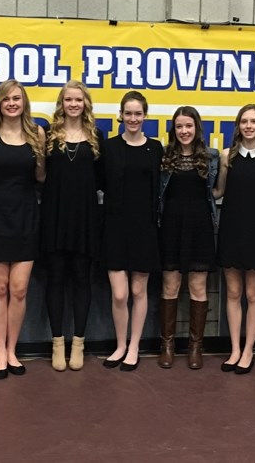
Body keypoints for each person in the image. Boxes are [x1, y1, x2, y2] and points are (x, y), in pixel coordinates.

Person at [0, 79, 46, 379]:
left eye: (17, 98)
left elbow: (41, 176)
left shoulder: (37, 133)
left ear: (24, 102)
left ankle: (13, 350)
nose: (12, 103)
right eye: (6, 99)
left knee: (19, 289)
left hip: (26, 214)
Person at [40, 80, 102, 372]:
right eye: (68, 99)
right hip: (54, 216)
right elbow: (40, 175)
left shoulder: (96, 136)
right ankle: (57, 342)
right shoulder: (49, 136)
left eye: (79, 99)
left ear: (85, 103)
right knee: (55, 279)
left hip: (85, 218)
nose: (73, 104)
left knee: (81, 278)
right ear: (61, 103)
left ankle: (79, 341)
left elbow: (101, 179)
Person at [100, 91, 163, 371]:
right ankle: (120, 345)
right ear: (121, 116)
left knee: (139, 290)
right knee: (119, 294)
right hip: (114, 225)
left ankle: (134, 346)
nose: (133, 118)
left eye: (138, 114)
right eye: (128, 113)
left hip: (145, 227)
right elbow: (100, 184)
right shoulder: (110, 147)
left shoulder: (156, 148)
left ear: (145, 116)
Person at [213, 104, 255, 375]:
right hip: (231, 230)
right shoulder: (227, 156)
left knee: (253, 294)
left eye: (254, 121)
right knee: (233, 293)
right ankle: (235, 349)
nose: (249, 126)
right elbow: (218, 192)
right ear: (237, 126)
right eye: (244, 121)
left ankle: (249, 350)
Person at [158, 106, 219, 370]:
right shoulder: (164, 158)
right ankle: (167, 344)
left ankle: (196, 346)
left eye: (189, 126)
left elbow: (217, 192)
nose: (184, 131)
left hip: (200, 227)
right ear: (174, 129)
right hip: (170, 226)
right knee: (170, 286)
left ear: (197, 128)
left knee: (198, 287)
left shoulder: (211, 158)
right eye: (179, 126)